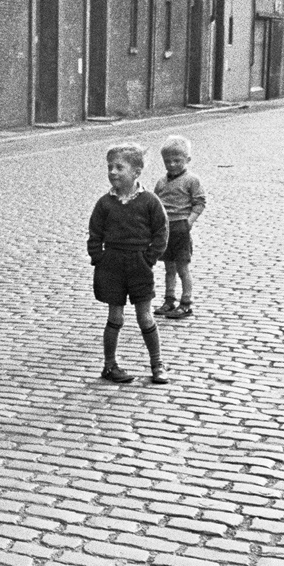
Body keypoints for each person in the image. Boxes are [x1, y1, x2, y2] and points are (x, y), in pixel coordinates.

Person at [88, 143, 171, 384]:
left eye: (119, 167)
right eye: (109, 167)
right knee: (115, 317)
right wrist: (99, 258)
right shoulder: (105, 203)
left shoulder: (150, 202)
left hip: (139, 264)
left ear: (136, 172)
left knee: (145, 316)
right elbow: (94, 234)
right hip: (111, 265)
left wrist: (149, 258)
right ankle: (110, 365)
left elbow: (161, 232)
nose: (113, 172)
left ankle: (157, 364)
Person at [151, 135, 206, 319]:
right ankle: (169, 300)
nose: (172, 164)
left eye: (177, 160)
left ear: (187, 160)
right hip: (165, 229)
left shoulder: (192, 180)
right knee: (169, 268)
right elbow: (155, 204)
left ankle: (186, 302)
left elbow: (199, 202)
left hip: (181, 228)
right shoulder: (161, 182)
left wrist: (189, 221)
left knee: (183, 267)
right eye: (168, 161)